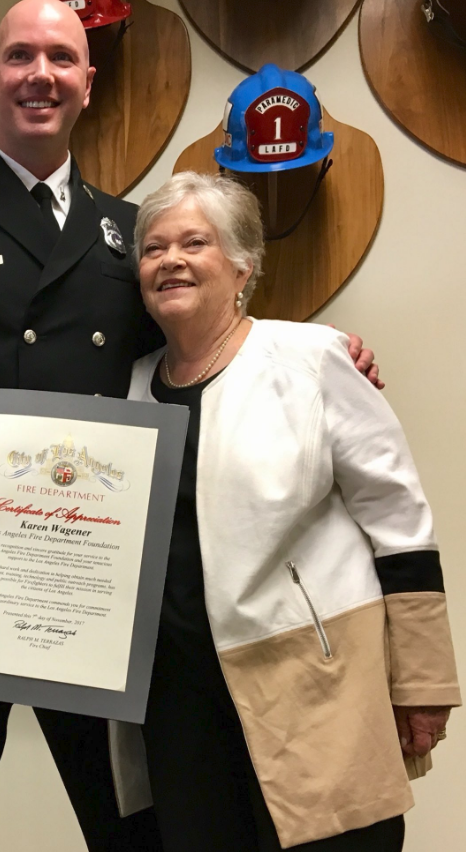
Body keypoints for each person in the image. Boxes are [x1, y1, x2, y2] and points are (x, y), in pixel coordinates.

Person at [0, 0, 378, 852]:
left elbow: (204, 345)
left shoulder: (129, 233)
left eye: (61, 59)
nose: (40, 74)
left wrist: (319, 353)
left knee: (128, 824)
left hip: (90, 581)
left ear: (87, 81)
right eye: (20, 57)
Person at [124, 172, 461, 852]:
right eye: (154, 248)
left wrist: (423, 680)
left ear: (243, 264)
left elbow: (399, 522)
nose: (171, 260)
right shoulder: (126, 390)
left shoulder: (312, 360)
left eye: (195, 242)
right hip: (178, 706)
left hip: (313, 689)